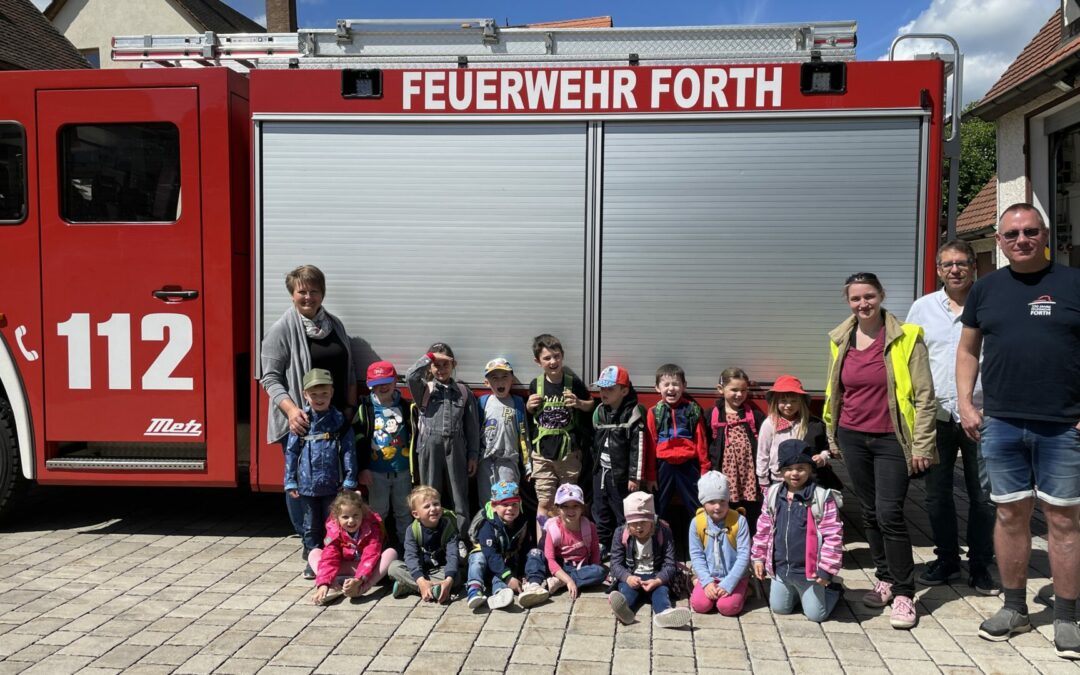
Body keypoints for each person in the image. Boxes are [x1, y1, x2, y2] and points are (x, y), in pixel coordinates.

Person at [956, 203, 1080, 658]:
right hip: (1002, 423)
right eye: (1011, 234)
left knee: (1063, 520)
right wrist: (966, 403)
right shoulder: (985, 289)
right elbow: (968, 350)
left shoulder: (1073, 283)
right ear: (999, 240)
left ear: (1044, 235)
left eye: (1030, 232)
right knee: (1010, 515)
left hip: (1063, 425)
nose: (1021, 240)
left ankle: (1066, 617)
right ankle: (1014, 609)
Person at [824, 271, 936, 630]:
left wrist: (922, 444)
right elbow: (835, 390)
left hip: (891, 439)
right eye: (856, 298)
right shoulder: (841, 339)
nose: (863, 304)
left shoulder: (907, 337)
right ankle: (885, 578)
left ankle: (904, 593)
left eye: (869, 296)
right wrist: (833, 435)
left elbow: (925, 397)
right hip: (853, 436)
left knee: (890, 514)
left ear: (882, 295)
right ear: (848, 302)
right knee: (870, 512)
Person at [905, 240, 997, 594]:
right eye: (948, 264)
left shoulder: (989, 303)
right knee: (936, 494)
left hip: (981, 414)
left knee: (983, 496)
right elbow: (910, 358)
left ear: (974, 266)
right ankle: (946, 559)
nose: (955, 270)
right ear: (938, 270)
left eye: (962, 263)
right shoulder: (923, 308)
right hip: (937, 416)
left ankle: (980, 564)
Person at [261, 265, 360, 554]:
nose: (308, 297)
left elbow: (349, 369)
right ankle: (309, 544)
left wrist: (350, 407)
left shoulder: (335, 325)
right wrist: (292, 411)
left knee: (334, 483)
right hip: (303, 422)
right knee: (301, 486)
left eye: (314, 291)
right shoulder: (281, 330)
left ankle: (333, 540)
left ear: (322, 293)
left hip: (336, 419)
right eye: (302, 291)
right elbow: (270, 378)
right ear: (292, 295)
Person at [752, 440, 844, 623]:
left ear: (810, 469)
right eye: (788, 468)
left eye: (801, 468)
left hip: (809, 572)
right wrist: (758, 557)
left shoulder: (820, 497)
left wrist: (826, 570)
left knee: (816, 615)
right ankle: (798, 594)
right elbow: (763, 528)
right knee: (779, 608)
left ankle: (833, 590)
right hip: (781, 569)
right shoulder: (773, 494)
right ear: (780, 471)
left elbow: (833, 535)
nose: (794, 473)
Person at [285, 368, 359, 578]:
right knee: (310, 526)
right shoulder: (301, 421)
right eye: (314, 394)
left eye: (324, 393)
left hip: (333, 486)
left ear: (332, 393)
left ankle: (331, 557)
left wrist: (350, 479)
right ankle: (313, 559)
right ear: (305, 394)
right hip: (307, 486)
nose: (319, 398)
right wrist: (290, 481)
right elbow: (291, 453)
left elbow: (348, 451)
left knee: (333, 526)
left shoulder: (339, 421)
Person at [526, 334, 594, 523]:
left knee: (569, 501)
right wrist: (529, 406)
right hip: (542, 454)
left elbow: (591, 405)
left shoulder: (573, 383)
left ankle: (567, 537)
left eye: (556, 356)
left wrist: (579, 403)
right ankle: (544, 540)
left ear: (562, 356)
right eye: (547, 358)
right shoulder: (536, 384)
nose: (553, 361)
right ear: (538, 361)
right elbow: (530, 414)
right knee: (545, 502)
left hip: (568, 453)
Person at [406, 343, 479, 519]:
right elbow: (410, 376)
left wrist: (473, 455)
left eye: (445, 364)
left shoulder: (463, 392)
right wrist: (429, 358)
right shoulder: (424, 389)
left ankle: (461, 533)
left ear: (454, 365)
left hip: (457, 448)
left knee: (459, 496)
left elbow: (472, 427)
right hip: (430, 447)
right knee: (429, 494)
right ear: (430, 367)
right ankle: (431, 531)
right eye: (436, 365)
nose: (441, 369)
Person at [354, 360, 416, 548]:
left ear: (395, 381)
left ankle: (406, 547)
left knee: (404, 511)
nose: (382, 387)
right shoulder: (365, 408)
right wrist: (363, 468)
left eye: (387, 382)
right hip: (376, 472)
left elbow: (415, 435)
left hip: (402, 470)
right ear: (370, 385)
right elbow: (358, 440)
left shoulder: (406, 406)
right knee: (378, 512)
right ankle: (375, 546)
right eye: (377, 384)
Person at [608, 491, 691, 628]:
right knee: (627, 592)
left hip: (655, 575)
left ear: (651, 520)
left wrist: (658, 580)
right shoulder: (620, 533)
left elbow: (670, 564)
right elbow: (615, 564)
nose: (639, 527)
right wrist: (627, 578)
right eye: (634, 523)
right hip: (632, 575)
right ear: (628, 522)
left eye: (643, 522)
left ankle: (665, 613)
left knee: (661, 593)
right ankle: (624, 611)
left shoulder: (663, 532)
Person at [591, 365, 647, 558]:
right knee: (600, 510)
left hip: (621, 475)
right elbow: (594, 442)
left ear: (624, 391)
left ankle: (625, 546)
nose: (604, 393)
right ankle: (603, 544)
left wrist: (634, 477)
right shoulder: (600, 411)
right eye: (602, 388)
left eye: (610, 388)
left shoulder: (633, 413)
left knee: (622, 512)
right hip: (601, 472)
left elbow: (638, 448)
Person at [466, 481, 549, 610]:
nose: (510, 509)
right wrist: (508, 578)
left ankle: (505, 591)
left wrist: (522, 573)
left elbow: (525, 547)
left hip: (505, 562)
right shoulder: (487, 526)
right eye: (505, 504)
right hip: (488, 562)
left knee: (532, 553)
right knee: (478, 558)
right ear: (494, 506)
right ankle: (475, 589)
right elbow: (491, 555)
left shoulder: (522, 521)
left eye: (514, 504)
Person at [645, 363, 709, 520]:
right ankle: (657, 534)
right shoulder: (654, 412)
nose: (671, 388)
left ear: (684, 386)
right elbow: (651, 443)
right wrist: (651, 475)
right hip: (664, 465)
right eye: (666, 384)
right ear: (657, 388)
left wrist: (705, 469)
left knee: (696, 505)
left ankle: (701, 534)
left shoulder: (692, 409)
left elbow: (701, 440)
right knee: (659, 505)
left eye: (675, 384)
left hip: (688, 464)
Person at [309, 491, 397, 605]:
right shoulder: (334, 530)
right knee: (314, 553)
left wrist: (359, 579)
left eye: (355, 515)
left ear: (362, 513)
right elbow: (329, 556)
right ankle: (332, 585)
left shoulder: (372, 527)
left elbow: (371, 555)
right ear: (337, 517)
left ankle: (362, 588)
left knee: (391, 553)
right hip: (342, 568)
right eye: (345, 517)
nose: (351, 521)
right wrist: (323, 583)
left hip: (366, 570)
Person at [708, 368, 765, 533]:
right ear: (721, 389)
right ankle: (727, 537)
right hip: (726, 473)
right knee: (727, 507)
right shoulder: (712, 414)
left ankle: (750, 537)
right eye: (734, 390)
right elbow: (705, 443)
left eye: (743, 390)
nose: (739, 394)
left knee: (751, 509)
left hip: (748, 473)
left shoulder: (754, 415)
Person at [688, 471, 750, 617]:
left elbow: (744, 556)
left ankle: (746, 589)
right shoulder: (697, 523)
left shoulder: (739, 521)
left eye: (722, 501)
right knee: (699, 605)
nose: (718, 507)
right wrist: (707, 582)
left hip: (735, 576)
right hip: (710, 574)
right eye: (712, 502)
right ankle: (699, 581)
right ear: (703, 503)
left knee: (727, 608)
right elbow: (696, 555)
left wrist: (729, 584)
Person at [530, 483, 606, 599]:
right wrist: (569, 580)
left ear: (582, 508)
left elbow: (595, 552)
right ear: (558, 509)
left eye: (575, 505)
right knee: (534, 554)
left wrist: (591, 571)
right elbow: (550, 560)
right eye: (565, 506)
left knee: (600, 571)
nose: (571, 510)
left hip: (580, 567)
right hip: (558, 566)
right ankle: (534, 585)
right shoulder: (553, 529)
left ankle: (560, 582)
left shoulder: (590, 527)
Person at [756, 375, 831, 489]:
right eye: (783, 401)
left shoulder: (810, 424)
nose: (788, 405)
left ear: (801, 402)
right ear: (776, 402)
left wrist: (823, 457)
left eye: (794, 401)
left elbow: (825, 448)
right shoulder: (769, 424)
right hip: (779, 479)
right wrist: (763, 480)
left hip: (804, 479)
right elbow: (763, 453)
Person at [388, 486, 461, 602]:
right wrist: (420, 580)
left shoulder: (448, 527)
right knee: (393, 567)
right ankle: (429, 588)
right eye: (427, 506)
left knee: (456, 577)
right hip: (420, 570)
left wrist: (449, 580)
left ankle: (409, 586)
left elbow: (453, 555)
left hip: (441, 570)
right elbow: (410, 556)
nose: (433, 509)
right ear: (416, 514)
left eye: (436, 504)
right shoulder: (412, 530)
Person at [477, 358, 528, 507]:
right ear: (486, 383)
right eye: (494, 378)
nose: (500, 382)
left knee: (508, 502)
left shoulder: (517, 403)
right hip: (485, 462)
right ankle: (488, 522)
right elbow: (474, 433)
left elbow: (524, 436)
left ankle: (506, 523)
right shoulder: (483, 402)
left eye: (505, 377)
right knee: (487, 503)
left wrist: (528, 464)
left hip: (508, 461)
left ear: (512, 380)